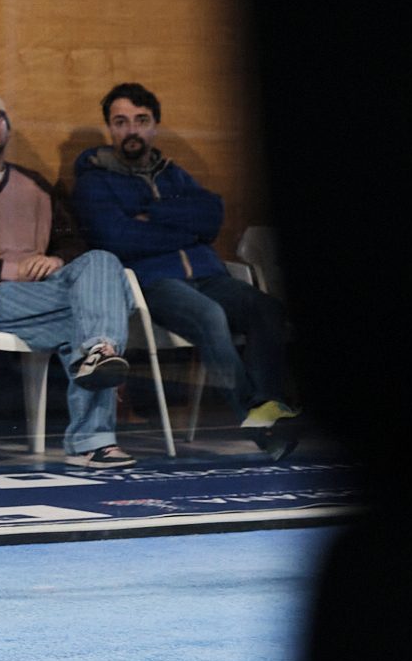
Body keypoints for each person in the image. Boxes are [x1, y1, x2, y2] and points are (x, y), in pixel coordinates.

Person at [0, 82, 137, 468]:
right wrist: (10, 269)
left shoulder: (35, 182)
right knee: (94, 312)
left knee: (101, 261)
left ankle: (99, 350)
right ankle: (93, 440)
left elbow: (74, 242)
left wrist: (56, 260)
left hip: (48, 287)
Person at [71, 82, 299, 453]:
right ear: (110, 128)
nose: (131, 130)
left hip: (209, 275)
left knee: (266, 308)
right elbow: (117, 238)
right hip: (152, 282)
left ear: (154, 126)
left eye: (141, 120)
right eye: (121, 122)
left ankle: (269, 403)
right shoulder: (94, 181)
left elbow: (212, 216)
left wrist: (152, 214)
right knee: (209, 315)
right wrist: (186, 230)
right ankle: (259, 420)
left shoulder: (172, 174)